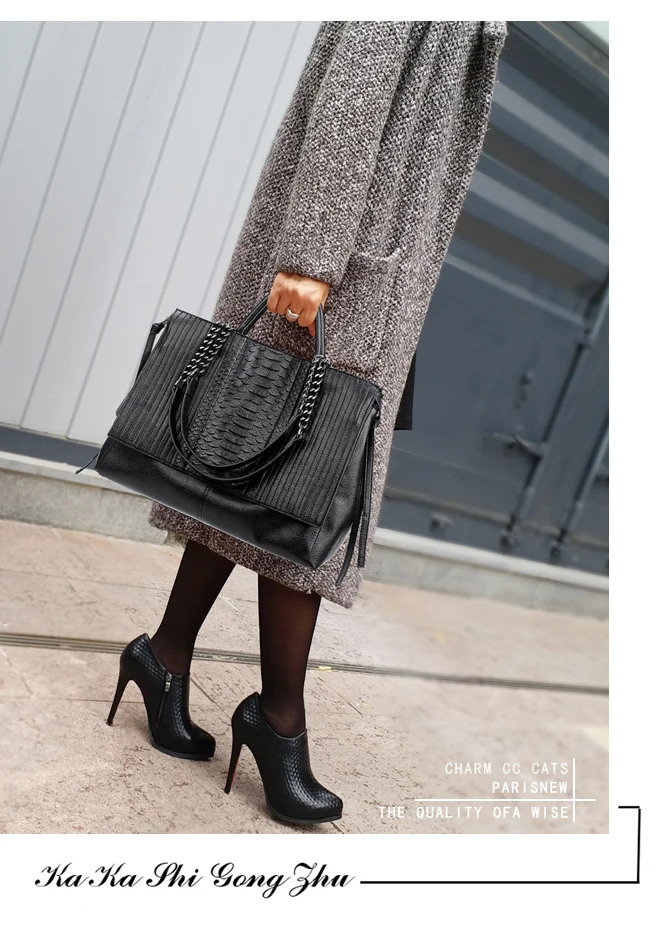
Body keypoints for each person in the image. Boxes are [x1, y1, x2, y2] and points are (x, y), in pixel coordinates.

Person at [108, 21, 508, 825]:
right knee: (307, 487)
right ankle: (278, 718)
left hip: (375, 265)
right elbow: (355, 90)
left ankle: (165, 656)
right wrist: (312, 257)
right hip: (344, 264)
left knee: (256, 476)